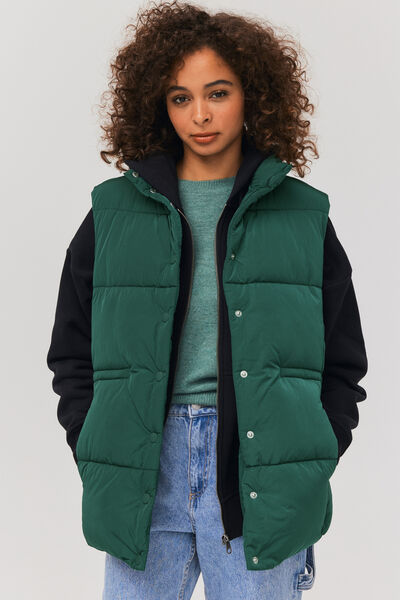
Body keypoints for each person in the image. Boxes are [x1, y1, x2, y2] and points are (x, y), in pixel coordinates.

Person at [46, 1, 368, 598]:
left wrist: (310, 454)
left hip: (261, 472)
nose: (199, 114)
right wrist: (93, 441)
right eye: (180, 97)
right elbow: (71, 351)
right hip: (144, 468)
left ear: (253, 96)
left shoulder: (303, 216)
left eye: (218, 93)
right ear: (159, 106)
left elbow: (344, 361)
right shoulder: (112, 213)